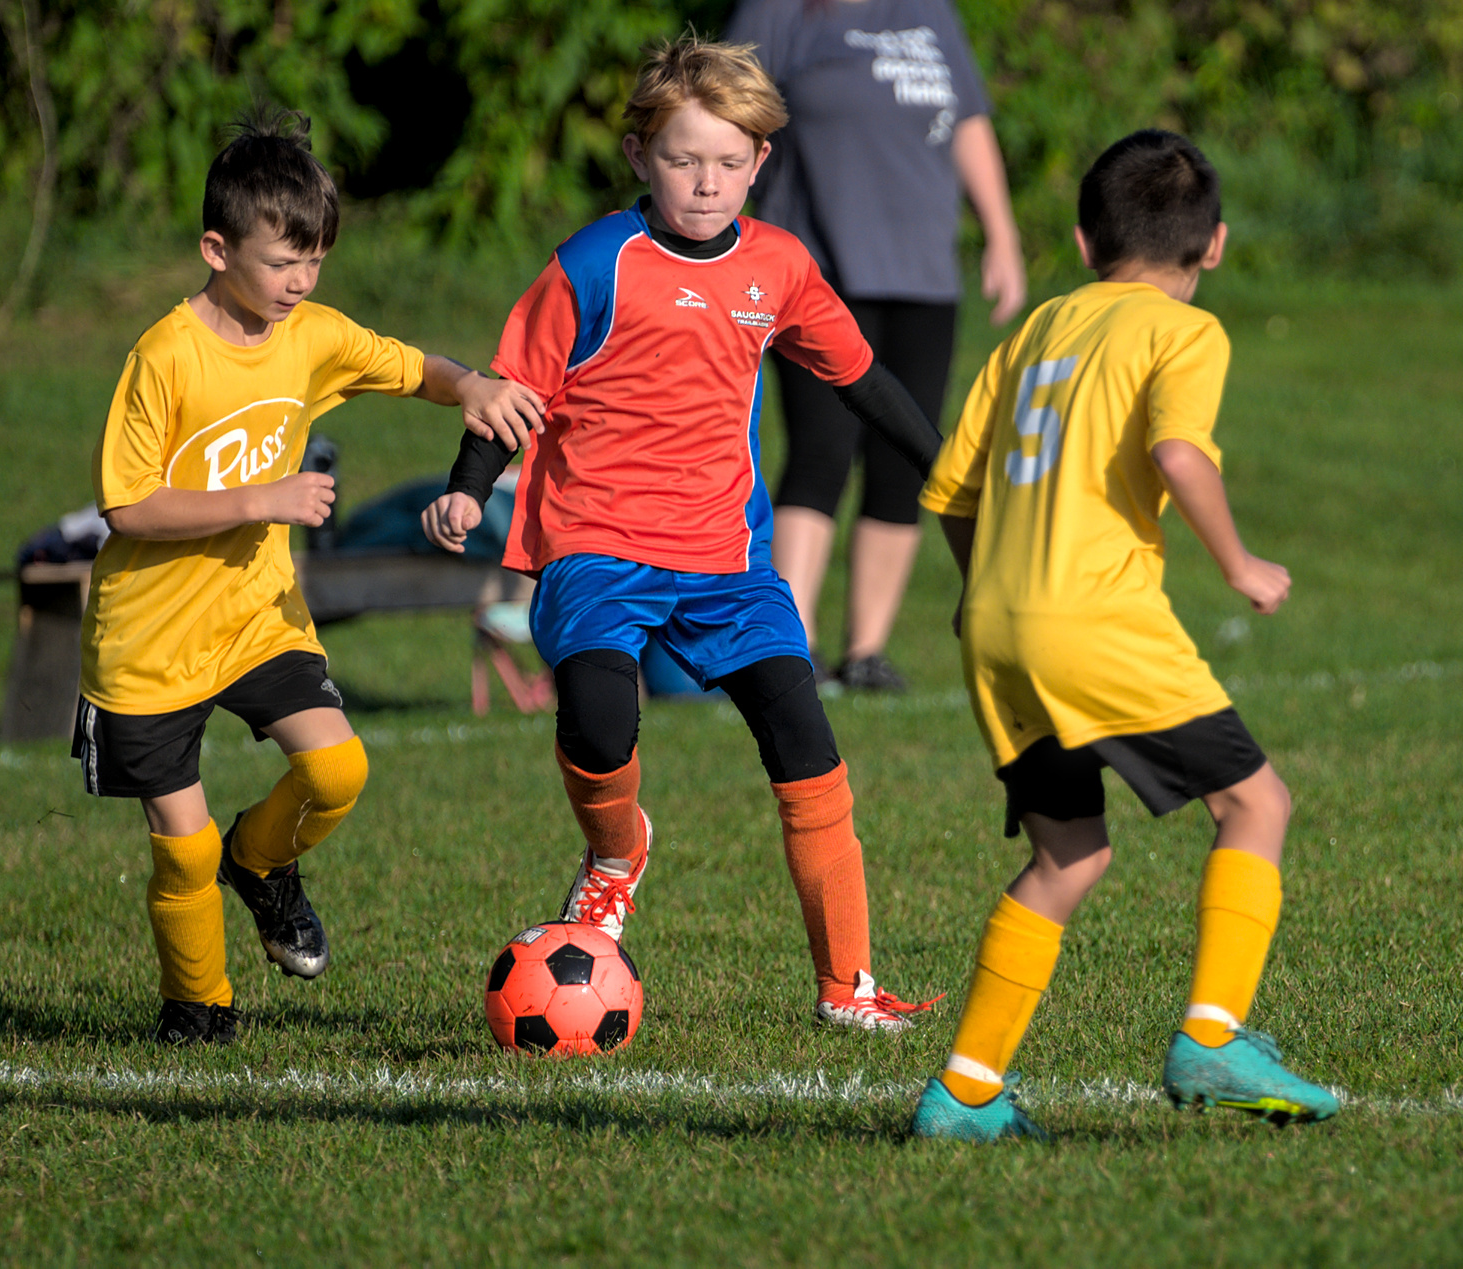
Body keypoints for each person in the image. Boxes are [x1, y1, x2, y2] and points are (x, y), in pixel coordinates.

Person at [421, 36, 945, 1031]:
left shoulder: (778, 265)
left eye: (728, 161)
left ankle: (847, 987)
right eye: (683, 158)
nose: (706, 183)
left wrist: (942, 464)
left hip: (725, 556)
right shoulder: (594, 262)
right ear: (639, 155)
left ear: (759, 163)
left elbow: (860, 376)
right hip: (596, 541)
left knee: (804, 739)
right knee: (597, 723)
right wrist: (465, 490)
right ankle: (616, 853)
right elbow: (510, 391)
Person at [73, 110, 542, 1046]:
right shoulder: (164, 356)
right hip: (149, 639)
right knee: (182, 848)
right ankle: (198, 1008)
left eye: (316, 262)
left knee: (336, 768)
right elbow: (127, 507)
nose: (301, 283)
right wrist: (263, 499)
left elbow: (409, 367)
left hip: (257, 615)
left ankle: (261, 862)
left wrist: (471, 387)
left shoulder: (310, 334)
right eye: (283, 263)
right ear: (216, 250)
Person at [909, 130, 1337, 1140]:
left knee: (1068, 854)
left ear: (1082, 239)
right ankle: (1213, 1034)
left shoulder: (1038, 328)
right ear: (1214, 244)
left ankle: (965, 1093)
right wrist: (1240, 564)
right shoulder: (1185, 331)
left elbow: (953, 492)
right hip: (1095, 619)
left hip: (996, 626)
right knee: (1256, 803)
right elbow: (1179, 453)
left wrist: (985, 589)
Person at [727, 0, 1025, 691]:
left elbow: (968, 121)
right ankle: (791, 647)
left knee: (905, 459)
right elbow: (722, 113)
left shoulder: (930, 12)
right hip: (819, 268)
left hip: (922, 274)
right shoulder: (779, 12)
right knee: (823, 450)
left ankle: (867, 652)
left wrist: (1002, 234)